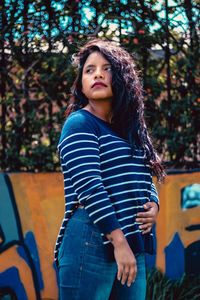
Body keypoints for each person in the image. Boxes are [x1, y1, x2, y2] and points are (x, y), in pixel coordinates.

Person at [54, 38, 165, 300]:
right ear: (81, 84)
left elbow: (143, 176)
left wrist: (154, 204)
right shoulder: (80, 124)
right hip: (91, 238)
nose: (98, 74)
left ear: (122, 77)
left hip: (131, 239)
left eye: (106, 68)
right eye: (89, 70)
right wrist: (119, 241)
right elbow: (89, 187)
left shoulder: (130, 130)